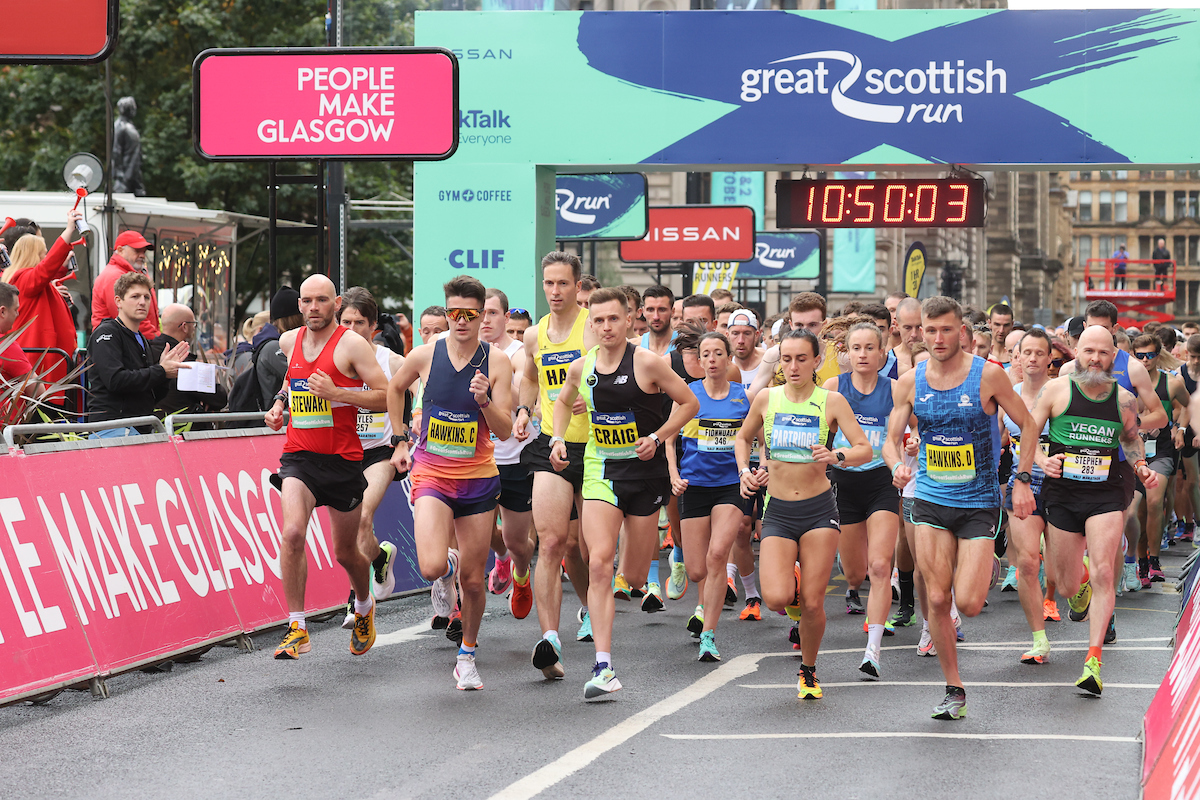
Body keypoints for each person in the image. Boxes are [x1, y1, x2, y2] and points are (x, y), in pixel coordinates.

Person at [884, 296, 1038, 720]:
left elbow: (1026, 424)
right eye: (929, 331)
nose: (936, 338)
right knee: (936, 597)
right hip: (931, 496)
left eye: (946, 330)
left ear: (962, 332)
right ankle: (954, 688)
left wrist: (1022, 480)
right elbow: (890, 435)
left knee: (968, 603)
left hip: (978, 502)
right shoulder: (911, 381)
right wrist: (897, 464)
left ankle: (982, 559)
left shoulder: (988, 375)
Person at [549, 287, 698, 699]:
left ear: (629, 320)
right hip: (602, 468)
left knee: (631, 576)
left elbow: (688, 404)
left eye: (613, 319)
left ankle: (637, 576)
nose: (606, 327)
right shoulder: (582, 368)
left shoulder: (647, 362)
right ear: (590, 324)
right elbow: (562, 402)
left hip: (647, 476)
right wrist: (558, 439)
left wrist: (657, 435)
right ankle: (603, 666)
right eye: (598, 320)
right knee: (598, 561)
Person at [385, 276, 512, 689]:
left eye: (469, 314)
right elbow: (395, 388)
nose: (460, 321)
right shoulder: (425, 354)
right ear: (446, 312)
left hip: (478, 479)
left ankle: (468, 655)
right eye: (452, 313)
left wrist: (484, 402)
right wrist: (400, 437)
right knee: (431, 565)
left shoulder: (497, 363)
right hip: (432, 474)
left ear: (482, 316)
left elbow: (506, 430)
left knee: (475, 582)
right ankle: (448, 565)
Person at [737, 328, 873, 700]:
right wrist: (746, 471)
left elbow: (865, 449)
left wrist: (837, 456)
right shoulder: (767, 398)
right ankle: (793, 577)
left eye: (801, 359)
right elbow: (742, 437)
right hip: (778, 509)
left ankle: (808, 670)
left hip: (819, 510)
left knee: (813, 603)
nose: (793, 366)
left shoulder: (831, 401)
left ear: (816, 361)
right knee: (778, 599)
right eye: (786, 359)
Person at [263, 275, 389, 662]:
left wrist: (338, 394)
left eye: (321, 300)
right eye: (306, 301)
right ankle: (297, 626)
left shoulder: (352, 345)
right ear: (298, 305)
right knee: (292, 533)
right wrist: (280, 403)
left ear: (335, 303)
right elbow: (292, 379)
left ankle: (364, 606)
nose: (313, 307)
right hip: (299, 456)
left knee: (346, 553)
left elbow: (387, 396)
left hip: (343, 461)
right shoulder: (289, 341)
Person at [1030, 325, 1157, 695]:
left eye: (1103, 353)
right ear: (1076, 352)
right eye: (1088, 352)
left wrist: (1140, 466)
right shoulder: (1056, 390)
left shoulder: (1123, 400)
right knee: (1069, 583)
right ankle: (1079, 586)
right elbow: (1031, 432)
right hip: (1063, 495)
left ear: (1113, 358)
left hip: (1106, 493)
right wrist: (1040, 462)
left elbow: (1131, 439)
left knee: (1104, 571)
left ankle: (1093, 661)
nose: (1095, 359)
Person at [514, 252, 594, 678]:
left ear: (577, 286)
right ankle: (550, 641)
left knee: (585, 549)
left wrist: (592, 399)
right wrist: (525, 409)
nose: (556, 292)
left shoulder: (592, 329)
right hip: (552, 445)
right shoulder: (535, 334)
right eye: (549, 284)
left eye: (563, 283)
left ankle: (591, 608)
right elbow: (530, 376)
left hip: (596, 447)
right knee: (552, 542)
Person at [666, 331, 749, 662]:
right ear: (698, 361)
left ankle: (709, 635)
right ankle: (701, 604)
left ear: (729, 359)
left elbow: (758, 438)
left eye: (718, 353)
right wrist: (673, 475)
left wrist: (758, 468)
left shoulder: (745, 397)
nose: (712, 359)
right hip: (694, 484)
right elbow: (669, 439)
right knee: (698, 569)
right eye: (706, 354)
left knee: (717, 557)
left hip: (730, 485)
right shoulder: (689, 396)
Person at [823, 321, 899, 678]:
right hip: (844, 484)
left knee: (880, 566)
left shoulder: (897, 391)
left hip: (881, 483)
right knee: (855, 574)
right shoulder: (833, 388)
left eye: (871, 348)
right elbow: (822, 437)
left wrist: (907, 448)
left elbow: (909, 432)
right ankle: (853, 575)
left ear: (883, 354)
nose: (863, 354)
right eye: (856, 348)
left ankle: (873, 649)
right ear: (846, 354)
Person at [333, 288, 407, 628]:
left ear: (374, 326)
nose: (351, 329)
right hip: (342, 453)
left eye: (359, 322)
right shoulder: (331, 358)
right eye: (345, 321)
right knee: (352, 536)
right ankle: (379, 558)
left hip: (380, 451)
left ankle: (356, 600)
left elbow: (420, 398)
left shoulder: (392, 362)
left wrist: (409, 428)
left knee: (362, 517)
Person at [999, 329, 1058, 664]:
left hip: (1062, 486)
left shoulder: (1061, 391)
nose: (1033, 359)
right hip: (1023, 484)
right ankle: (1039, 639)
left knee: (1060, 573)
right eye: (1027, 353)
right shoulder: (1009, 395)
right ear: (1017, 357)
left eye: (1040, 353)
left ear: (1050, 358)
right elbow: (1001, 438)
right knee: (1026, 562)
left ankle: (1077, 583)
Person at [478, 288, 535, 620]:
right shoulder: (461, 349)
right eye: (479, 313)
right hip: (476, 458)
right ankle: (500, 559)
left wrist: (496, 373)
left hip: (515, 457)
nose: (485, 320)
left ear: (506, 316)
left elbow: (520, 401)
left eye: (492, 313)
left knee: (518, 542)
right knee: (481, 530)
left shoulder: (517, 354)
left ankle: (521, 574)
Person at [86, 273, 189, 438]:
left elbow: (151, 395)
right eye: (135, 296)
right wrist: (161, 371)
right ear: (118, 301)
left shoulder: (142, 339)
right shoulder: (107, 333)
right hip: (112, 428)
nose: (142, 302)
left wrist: (166, 374)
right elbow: (115, 380)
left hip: (138, 429)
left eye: (147, 297)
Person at [1, 207, 83, 388]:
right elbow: (46, 270)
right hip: (43, 367)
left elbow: (47, 273)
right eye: (43, 253)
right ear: (34, 256)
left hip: (48, 364)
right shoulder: (23, 279)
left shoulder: (27, 280)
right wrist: (69, 230)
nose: (46, 257)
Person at [1131, 334, 1188, 585]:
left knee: (1155, 502)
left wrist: (1181, 428)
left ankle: (1154, 560)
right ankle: (1140, 561)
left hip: (1162, 450)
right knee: (1139, 511)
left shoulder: (1171, 383)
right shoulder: (1126, 383)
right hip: (1134, 451)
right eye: (1140, 355)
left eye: (1150, 355)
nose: (1145, 360)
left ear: (1158, 355)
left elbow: (1190, 404)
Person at [151, 303, 228, 417]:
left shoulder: (146, 351)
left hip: (150, 426)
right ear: (185, 326)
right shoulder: (185, 362)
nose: (194, 329)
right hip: (181, 428)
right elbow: (220, 398)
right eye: (194, 324)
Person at [92, 230, 160, 339]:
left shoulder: (134, 273)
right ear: (120, 250)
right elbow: (130, 318)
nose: (142, 255)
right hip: (117, 343)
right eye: (137, 250)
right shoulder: (114, 276)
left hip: (128, 340)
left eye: (144, 251)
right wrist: (157, 340)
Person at [0, 281, 46, 412]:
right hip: (6, 429)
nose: (17, 314)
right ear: (2, 311)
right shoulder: (6, 346)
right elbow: (38, 391)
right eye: (15, 309)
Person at [639, 284, 676, 356]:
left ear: (673, 312)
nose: (656, 317)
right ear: (643, 312)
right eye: (650, 310)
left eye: (662, 310)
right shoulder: (634, 347)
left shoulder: (685, 347)